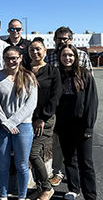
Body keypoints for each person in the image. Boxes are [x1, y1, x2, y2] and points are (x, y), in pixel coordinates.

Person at [46, 26, 93, 187]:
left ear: (71, 39)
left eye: (65, 38)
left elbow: (89, 85)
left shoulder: (82, 56)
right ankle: (59, 173)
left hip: (78, 110)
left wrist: (88, 117)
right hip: (59, 109)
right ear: (55, 40)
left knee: (81, 150)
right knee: (58, 143)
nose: (62, 41)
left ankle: (77, 177)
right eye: (59, 38)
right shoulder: (50, 57)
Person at [0, 45, 38, 200]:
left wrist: (13, 122)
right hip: (0, 126)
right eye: (7, 58)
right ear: (3, 59)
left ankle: (22, 196)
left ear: (20, 58)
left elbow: (31, 104)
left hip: (23, 126)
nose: (11, 61)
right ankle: (3, 195)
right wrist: (5, 122)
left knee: (22, 165)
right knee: (3, 164)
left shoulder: (29, 77)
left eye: (14, 58)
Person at [55, 44, 98, 200]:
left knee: (86, 163)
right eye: (64, 55)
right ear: (59, 58)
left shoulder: (84, 74)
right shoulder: (57, 75)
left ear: (75, 57)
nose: (67, 58)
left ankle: (90, 195)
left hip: (82, 126)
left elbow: (92, 102)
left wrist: (89, 127)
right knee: (69, 160)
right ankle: (74, 188)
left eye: (70, 55)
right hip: (64, 126)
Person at [27, 37, 62, 200]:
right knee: (36, 155)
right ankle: (41, 188)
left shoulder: (52, 71)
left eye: (38, 49)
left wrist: (42, 118)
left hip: (44, 120)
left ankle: (47, 188)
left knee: (33, 154)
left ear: (44, 51)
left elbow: (55, 97)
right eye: (32, 49)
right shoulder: (25, 69)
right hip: (27, 119)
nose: (35, 52)